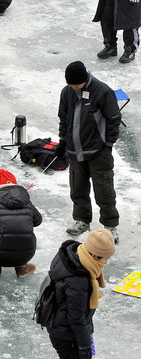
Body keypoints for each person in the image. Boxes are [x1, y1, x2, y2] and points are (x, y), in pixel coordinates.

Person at [45, 228, 116, 359]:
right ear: (93, 254)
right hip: (65, 333)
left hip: (66, 327)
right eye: (104, 258)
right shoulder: (78, 279)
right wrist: (85, 344)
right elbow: (75, 318)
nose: (105, 262)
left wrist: (85, 339)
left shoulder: (75, 257)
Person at [56, 61, 121, 243]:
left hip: (98, 151)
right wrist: (62, 141)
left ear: (85, 79)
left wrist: (107, 144)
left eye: (77, 84)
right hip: (74, 151)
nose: (74, 87)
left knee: (104, 190)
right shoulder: (67, 92)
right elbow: (63, 118)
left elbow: (114, 120)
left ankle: (110, 225)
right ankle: (82, 219)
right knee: (77, 187)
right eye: (71, 84)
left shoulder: (102, 91)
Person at [0, 168, 43, 278]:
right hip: (26, 254)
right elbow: (38, 221)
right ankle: (22, 268)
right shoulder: (27, 202)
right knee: (22, 228)